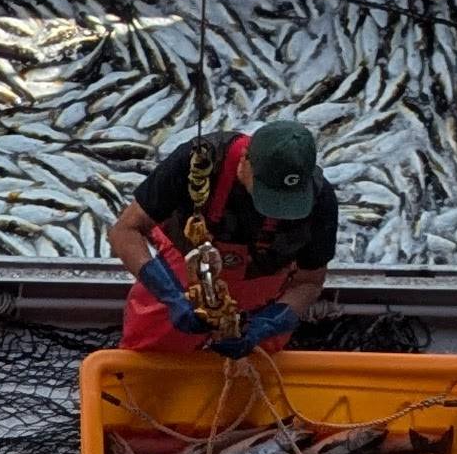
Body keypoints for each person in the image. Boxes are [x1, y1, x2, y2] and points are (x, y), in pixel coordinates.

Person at [110, 118, 337, 358]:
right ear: (245, 159)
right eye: (268, 194)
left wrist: (270, 322)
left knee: (255, 367)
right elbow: (125, 231)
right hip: (185, 271)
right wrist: (170, 295)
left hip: (264, 284)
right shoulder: (198, 159)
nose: (274, 208)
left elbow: (309, 281)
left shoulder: (321, 198)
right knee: (150, 354)